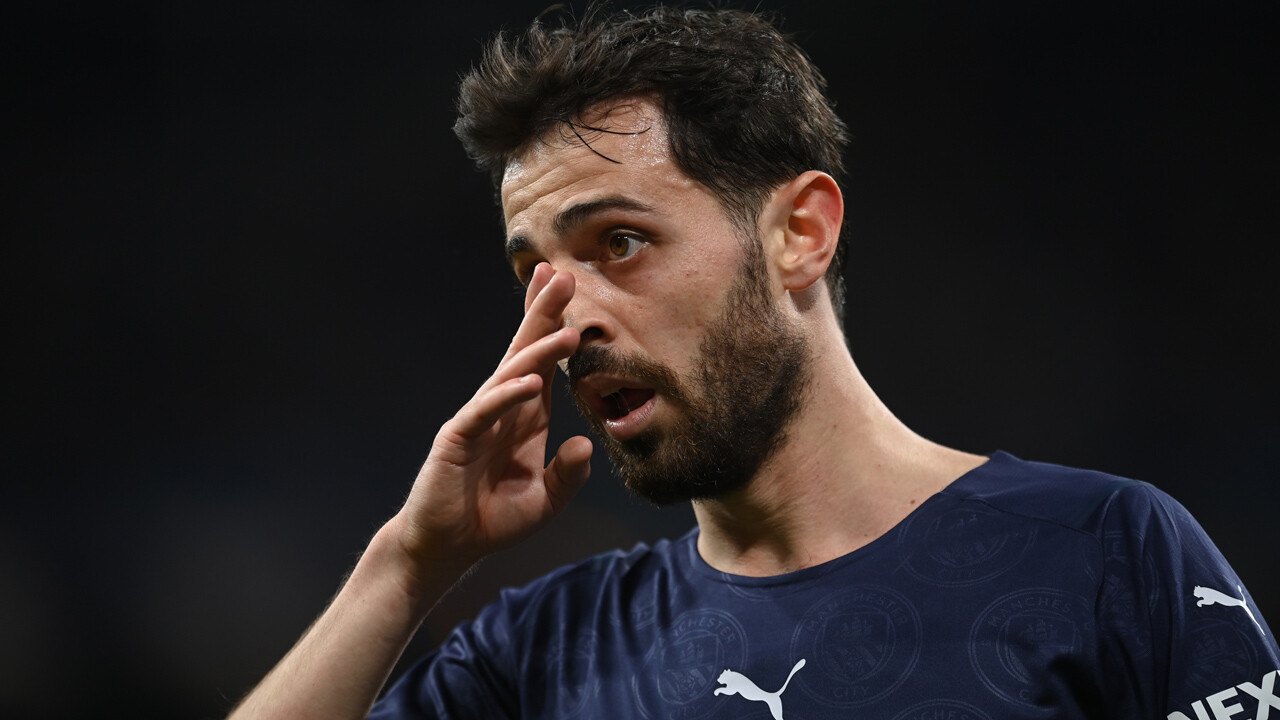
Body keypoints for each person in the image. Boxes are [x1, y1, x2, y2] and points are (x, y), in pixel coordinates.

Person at [229, 5, 1278, 719]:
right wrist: (406, 566)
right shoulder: (543, 653)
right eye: (534, 273)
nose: (563, 321)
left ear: (798, 235)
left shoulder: (1102, 557)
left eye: (618, 243)